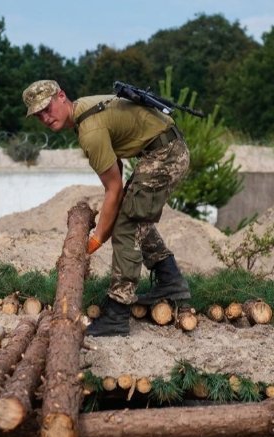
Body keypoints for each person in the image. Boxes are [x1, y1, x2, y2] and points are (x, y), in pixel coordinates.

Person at [22, 79, 191, 336]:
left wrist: (98, 238)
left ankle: (117, 313)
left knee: (126, 228)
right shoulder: (83, 113)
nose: (45, 117)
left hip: (165, 154)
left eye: (47, 108)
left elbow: (113, 189)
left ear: (61, 97)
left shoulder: (89, 130)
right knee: (132, 218)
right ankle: (170, 281)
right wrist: (110, 217)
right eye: (38, 115)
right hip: (161, 150)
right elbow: (117, 173)